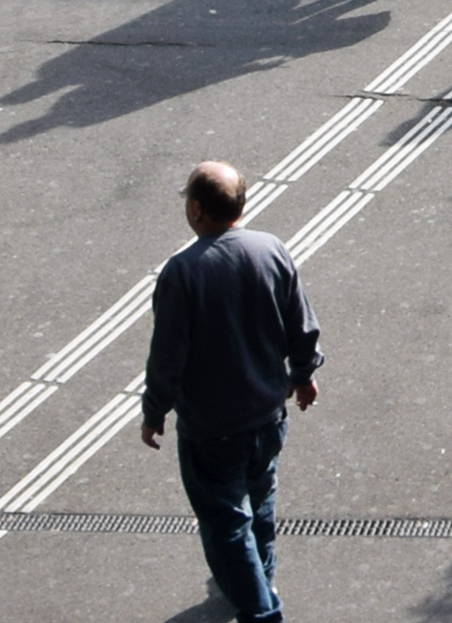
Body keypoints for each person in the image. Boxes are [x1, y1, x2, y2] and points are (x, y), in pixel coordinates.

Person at [138, 157, 321, 623]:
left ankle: (262, 611)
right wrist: (303, 374)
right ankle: (262, 579)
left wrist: (154, 411)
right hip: (268, 416)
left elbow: (167, 356)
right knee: (260, 505)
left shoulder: (182, 272)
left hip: (212, 430)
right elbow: (301, 325)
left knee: (226, 524)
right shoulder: (271, 249)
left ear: (197, 209)